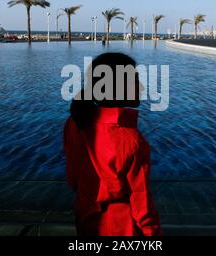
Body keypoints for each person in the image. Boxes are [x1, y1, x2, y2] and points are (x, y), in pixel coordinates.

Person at [63, 53, 162, 236]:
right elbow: (143, 209)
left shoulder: (74, 123)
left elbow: (72, 180)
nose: (141, 87)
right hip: (122, 229)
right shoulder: (131, 142)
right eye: (135, 81)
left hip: (85, 223)